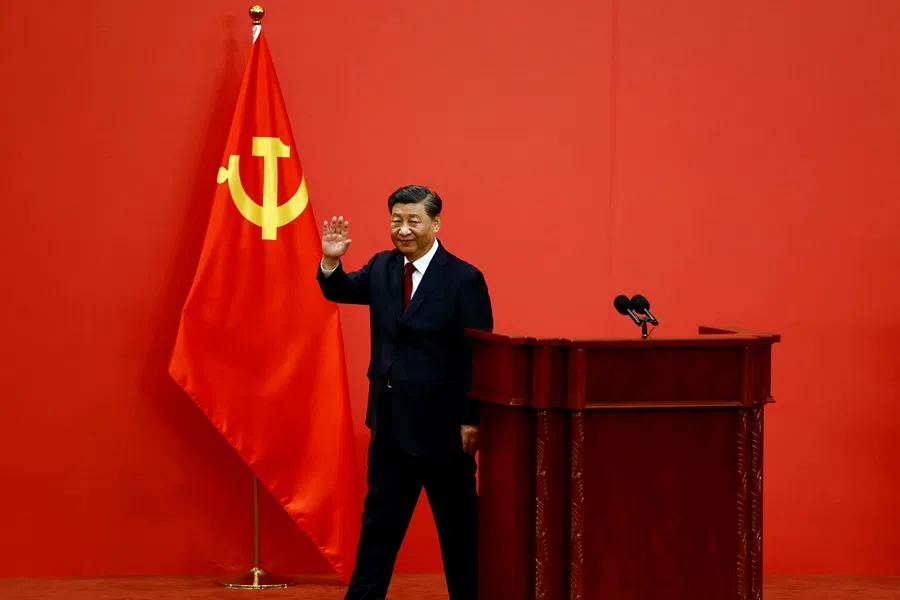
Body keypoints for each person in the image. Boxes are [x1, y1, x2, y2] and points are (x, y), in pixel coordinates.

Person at [317, 185, 493, 600]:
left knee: (460, 534)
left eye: (414, 220)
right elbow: (340, 289)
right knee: (377, 530)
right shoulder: (382, 266)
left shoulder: (464, 278)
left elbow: (478, 355)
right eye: (397, 220)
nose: (403, 229)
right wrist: (331, 260)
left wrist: (471, 418)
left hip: (444, 432)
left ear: (436, 223)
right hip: (390, 427)